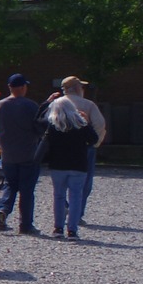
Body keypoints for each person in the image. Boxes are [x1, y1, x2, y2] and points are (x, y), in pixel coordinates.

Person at [0, 73, 45, 235]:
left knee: (10, 185)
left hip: (8, 154)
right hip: (28, 153)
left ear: (9, 87)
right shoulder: (30, 106)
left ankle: (3, 211)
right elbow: (39, 127)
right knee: (27, 190)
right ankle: (26, 225)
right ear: (22, 87)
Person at [42, 95, 97, 239]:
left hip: (58, 165)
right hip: (78, 165)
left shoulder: (53, 125)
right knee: (76, 197)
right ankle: (72, 230)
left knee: (59, 196)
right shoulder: (81, 124)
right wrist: (87, 122)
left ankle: (58, 228)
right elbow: (94, 140)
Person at [58, 76, 105, 209]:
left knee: (61, 180)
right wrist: (94, 142)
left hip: (61, 148)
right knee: (84, 182)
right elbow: (100, 124)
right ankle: (77, 211)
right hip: (84, 148)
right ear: (78, 88)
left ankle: (63, 207)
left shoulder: (56, 104)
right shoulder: (88, 105)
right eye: (82, 87)